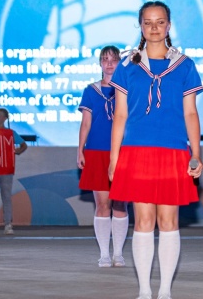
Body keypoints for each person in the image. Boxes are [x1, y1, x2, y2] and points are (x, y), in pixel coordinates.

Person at [108, 1, 203, 299]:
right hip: (136, 152)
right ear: (140, 26)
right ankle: (144, 291)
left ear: (168, 26)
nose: (154, 27)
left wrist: (196, 153)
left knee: (169, 221)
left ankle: (164, 292)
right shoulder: (127, 65)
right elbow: (120, 115)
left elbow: (190, 113)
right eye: (148, 22)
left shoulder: (185, 65)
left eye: (160, 22)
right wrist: (114, 160)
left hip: (173, 152)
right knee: (144, 221)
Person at [77, 45, 129, 267]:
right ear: (100, 63)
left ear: (120, 63)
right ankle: (104, 254)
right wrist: (80, 149)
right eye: (105, 59)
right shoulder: (91, 91)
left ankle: (118, 254)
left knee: (120, 204)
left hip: (123, 151)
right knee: (102, 204)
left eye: (114, 59)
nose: (109, 63)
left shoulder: (127, 90)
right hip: (96, 151)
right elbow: (86, 123)